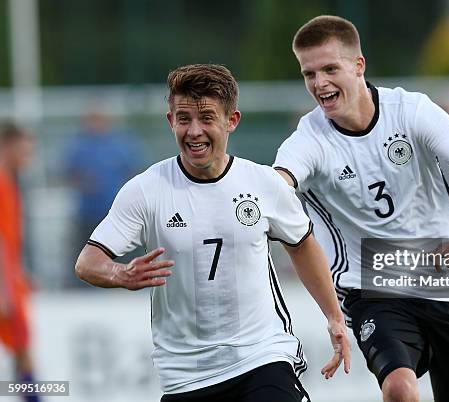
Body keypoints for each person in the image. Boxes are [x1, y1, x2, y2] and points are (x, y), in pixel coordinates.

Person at [75, 64, 350, 402]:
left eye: (206, 118)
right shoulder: (146, 190)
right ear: (170, 121)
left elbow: (302, 244)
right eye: (184, 118)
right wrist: (121, 273)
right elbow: (88, 261)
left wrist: (334, 317)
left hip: (262, 356)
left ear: (231, 121)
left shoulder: (263, 184)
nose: (194, 131)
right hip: (185, 376)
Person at [274, 15, 449, 402]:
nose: (319, 84)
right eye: (309, 73)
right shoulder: (308, 140)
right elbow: (277, 186)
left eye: (330, 69)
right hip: (373, 289)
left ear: (358, 65)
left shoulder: (411, 110)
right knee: (399, 387)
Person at [64, 104, 144, 283]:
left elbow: (135, 171)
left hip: (116, 215)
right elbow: (69, 174)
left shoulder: (121, 144)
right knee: (86, 258)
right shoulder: (79, 146)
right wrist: (86, 183)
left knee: (122, 257)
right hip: (88, 214)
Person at [0, 122, 39, 402]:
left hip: (11, 279)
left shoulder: (10, 182)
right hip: (5, 285)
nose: (27, 157)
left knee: (21, 351)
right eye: (24, 151)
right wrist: (4, 288)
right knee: (23, 351)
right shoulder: (2, 183)